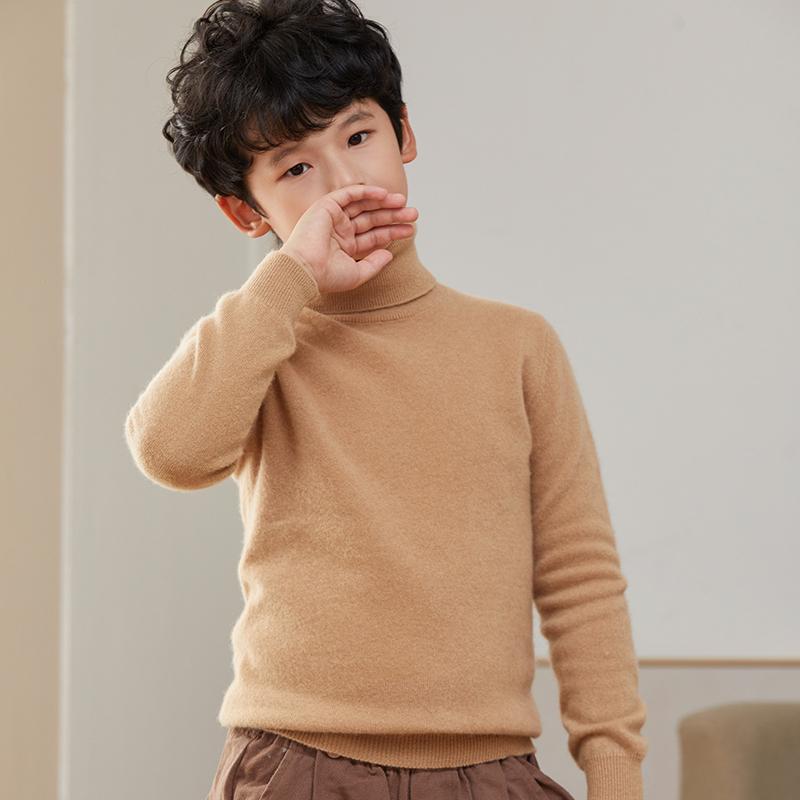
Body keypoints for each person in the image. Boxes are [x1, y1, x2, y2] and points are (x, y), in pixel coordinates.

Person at [123, 1, 648, 798]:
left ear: (404, 133)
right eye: (295, 170)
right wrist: (288, 280)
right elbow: (169, 451)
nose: (345, 183)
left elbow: (581, 580)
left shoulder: (517, 346)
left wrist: (615, 778)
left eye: (358, 137)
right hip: (296, 763)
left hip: (490, 769)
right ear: (244, 211)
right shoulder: (262, 342)